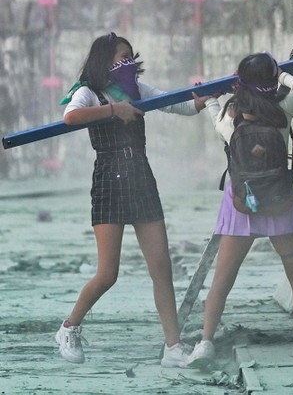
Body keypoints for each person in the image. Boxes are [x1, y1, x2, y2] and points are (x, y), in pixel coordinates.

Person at [56, 32, 211, 366]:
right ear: (103, 61)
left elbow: (179, 104)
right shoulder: (88, 92)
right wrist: (113, 109)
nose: (126, 63)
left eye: (129, 56)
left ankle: (173, 347)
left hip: (140, 175)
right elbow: (70, 117)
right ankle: (69, 327)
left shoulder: (138, 89)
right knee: (107, 273)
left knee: (161, 268)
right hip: (109, 179)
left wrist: (200, 100)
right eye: (119, 57)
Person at [185, 52, 293, 367]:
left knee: (222, 279)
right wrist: (284, 75)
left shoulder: (228, 120)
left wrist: (209, 99)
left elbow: (212, 107)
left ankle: (205, 343)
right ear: (271, 82)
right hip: (279, 201)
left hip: (241, 204)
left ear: (239, 82)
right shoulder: (281, 113)